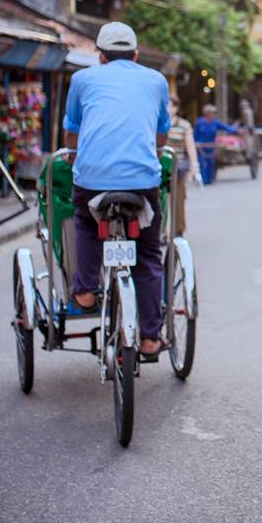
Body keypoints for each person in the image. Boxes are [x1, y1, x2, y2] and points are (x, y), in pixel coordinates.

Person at [63, 22, 170, 360]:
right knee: (149, 255)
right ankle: (151, 338)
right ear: (136, 55)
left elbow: (71, 135)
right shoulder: (156, 80)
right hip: (142, 182)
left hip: (92, 180)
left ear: (100, 56)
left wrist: (74, 155)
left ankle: (84, 291)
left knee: (86, 223)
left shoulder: (82, 79)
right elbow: (161, 135)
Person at [166, 95, 200, 236]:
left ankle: (178, 230)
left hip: (177, 169)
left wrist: (194, 165)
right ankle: (161, 232)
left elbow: (190, 146)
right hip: (158, 168)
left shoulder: (184, 125)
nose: (169, 108)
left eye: (172, 105)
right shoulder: (156, 123)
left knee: (178, 199)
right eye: (167, 105)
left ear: (176, 108)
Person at [193, 104, 237, 185]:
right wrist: (195, 142)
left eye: (213, 113)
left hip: (211, 146)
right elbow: (195, 134)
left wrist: (236, 130)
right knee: (202, 162)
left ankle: (210, 179)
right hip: (201, 146)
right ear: (206, 113)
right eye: (211, 113)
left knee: (211, 162)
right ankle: (203, 180)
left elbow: (226, 128)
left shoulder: (215, 122)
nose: (213, 114)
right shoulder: (199, 122)